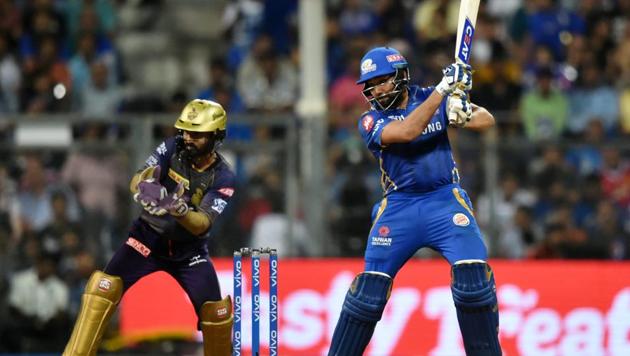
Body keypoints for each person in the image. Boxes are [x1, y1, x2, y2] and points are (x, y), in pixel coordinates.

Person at [328, 47, 502, 355]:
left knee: (473, 281)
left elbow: (486, 121)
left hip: (444, 201)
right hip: (399, 208)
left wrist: (461, 108)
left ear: (402, 76)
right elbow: (408, 131)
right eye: (371, 84)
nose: (377, 89)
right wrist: (442, 91)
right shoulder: (370, 120)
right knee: (367, 294)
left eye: (383, 80)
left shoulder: (432, 98)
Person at [63, 99, 236, 356]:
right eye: (186, 131)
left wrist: (177, 209)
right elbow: (138, 179)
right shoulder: (170, 146)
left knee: (216, 313)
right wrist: (147, 187)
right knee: (103, 288)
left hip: (189, 252)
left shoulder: (223, 176)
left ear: (216, 136)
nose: (188, 138)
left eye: (197, 134)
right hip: (146, 239)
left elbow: (201, 225)